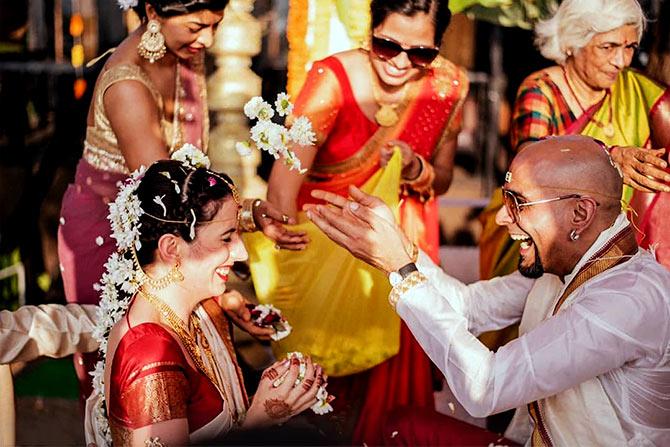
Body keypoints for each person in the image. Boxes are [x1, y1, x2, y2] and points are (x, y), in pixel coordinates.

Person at [307, 135, 670, 445]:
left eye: (518, 203)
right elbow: (469, 308)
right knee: (400, 427)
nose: (501, 218)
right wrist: (402, 249)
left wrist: (400, 270)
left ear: (580, 214)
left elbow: (486, 388)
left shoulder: (627, 299)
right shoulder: (567, 266)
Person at [57, 0, 306, 403]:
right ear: (154, 11)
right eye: (196, 27)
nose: (206, 39)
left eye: (216, 25)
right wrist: (220, 297)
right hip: (116, 239)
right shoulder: (128, 86)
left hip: (176, 233)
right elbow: (170, 205)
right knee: (137, 386)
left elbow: (189, 188)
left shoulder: (183, 52)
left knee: (190, 379)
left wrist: (253, 215)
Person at [245, 0, 467, 442]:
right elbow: (284, 183)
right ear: (371, 32)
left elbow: (441, 179)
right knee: (321, 383)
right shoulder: (333, 79)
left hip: (398, 247)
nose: (401, 62)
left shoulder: (447, 85)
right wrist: (292, 256)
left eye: (420, 53)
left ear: (438, 47)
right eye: (387, 45)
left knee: (390, 382)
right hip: (327, 242)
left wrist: (414, 168)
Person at [85, 159, 326, 446]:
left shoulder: (203, 308)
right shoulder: (150, 354)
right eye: (226, 238)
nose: (241, 252)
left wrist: (284, 390)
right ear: (171, 248)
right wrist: (260, 421)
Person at [479, 0, 670, 281]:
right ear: (572, 42)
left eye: (629, 47)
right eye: (608, 47)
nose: (621, 61)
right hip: (537, 243)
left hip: (609, 253)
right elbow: (531, 169)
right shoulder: (541, 90)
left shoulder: (643, 94)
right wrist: (608, 159)